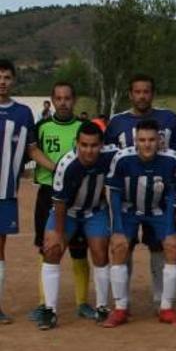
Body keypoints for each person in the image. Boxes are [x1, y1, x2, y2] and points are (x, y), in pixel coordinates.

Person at [105, 74, 176, 311]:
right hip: (129, 196)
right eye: (137, 92)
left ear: (152, 93)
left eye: (146, 91)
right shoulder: (117, 122)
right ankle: (122, 301)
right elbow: (107, 154)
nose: (142, 96)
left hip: (158, 196)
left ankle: (161, 298)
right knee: (123, 245)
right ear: (130, 94)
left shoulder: (169, 118)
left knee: (160, 246)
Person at [37, 122, 118, 330]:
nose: (89, 150)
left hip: (95, 210)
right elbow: (60, 202)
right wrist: (59, 232)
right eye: (84, 145)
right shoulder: (66, 165)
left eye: (93, 145)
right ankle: (49, 309)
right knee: (52, 250)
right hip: (68, 212)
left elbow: (133, 152)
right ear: (77, 143)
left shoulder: (111, 155)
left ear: (101, 145)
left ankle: (101, 306)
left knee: (100, 252)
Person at [31, 82, 95, 321]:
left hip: (78, 195)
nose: (63, 102)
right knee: (46, 246)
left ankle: (82, 302)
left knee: (79, 249)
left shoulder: (83, 127)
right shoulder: (42, 126)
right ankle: (43, 303)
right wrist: (58, 168)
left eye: (67, 98)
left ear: (74, 100)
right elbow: (32, 150)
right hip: (48, 191)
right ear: (52, 100)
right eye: (58, 98)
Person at [0, 60, 57, 324]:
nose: (3, 81)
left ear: (14, 80)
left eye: (7, 77)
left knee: (0, 249)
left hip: (5, 194)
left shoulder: (23, 114)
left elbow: (32, 150)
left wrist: (59, 169)